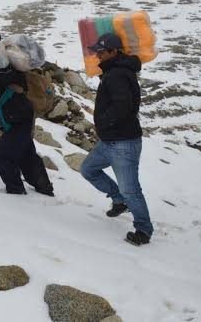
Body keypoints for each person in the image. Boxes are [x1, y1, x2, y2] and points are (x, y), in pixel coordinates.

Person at [79, 32, 153, 246]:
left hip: (123, 143)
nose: (97, 56)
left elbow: (124, 106)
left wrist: (104, 122)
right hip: (110, 141)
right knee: (88, 169)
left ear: (113, 51)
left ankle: (143, 230)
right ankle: (118, 199)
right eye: (96, 52)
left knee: (131, 189)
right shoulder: (115, 71)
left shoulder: (118, 74)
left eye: (101, 52)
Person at [0, 42, 54, 197]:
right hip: (10, 124)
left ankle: (16, 192)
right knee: (27, 157)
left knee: (2, 156)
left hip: (21, 123)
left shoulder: (13, 72)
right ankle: (45, 188)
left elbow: (4, 76)